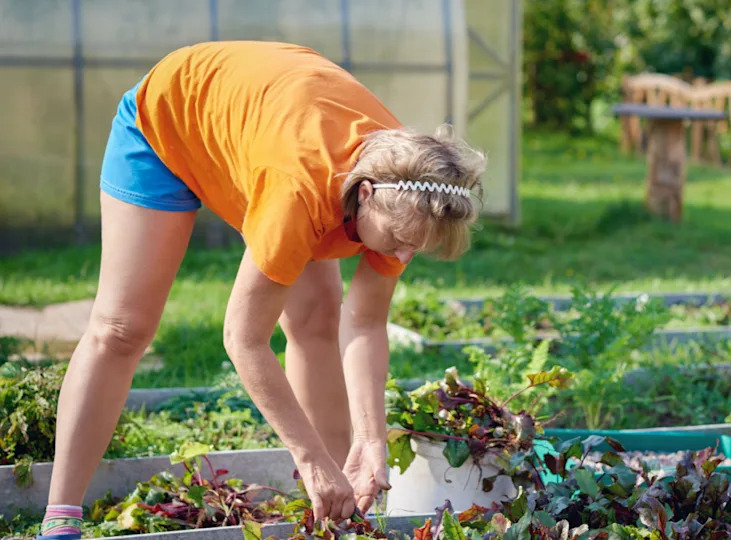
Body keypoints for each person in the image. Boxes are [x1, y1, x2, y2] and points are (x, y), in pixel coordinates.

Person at [37, 41, 485, 540]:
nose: (401, 258)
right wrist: (307, 455)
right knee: (123, 327)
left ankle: (339, 510)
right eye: (401, 242)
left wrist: (371, 440)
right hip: (168, 122)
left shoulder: (407, 194)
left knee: (316, 317)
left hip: (268, 128)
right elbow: (243, 338)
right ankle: (59, 516)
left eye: (416, 249)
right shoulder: (300, 192)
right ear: (364, 195)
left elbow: (364, 322)